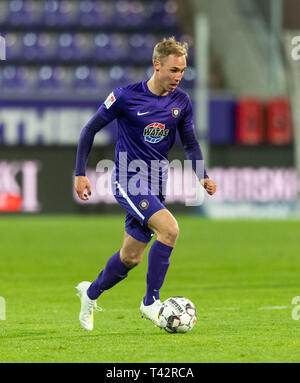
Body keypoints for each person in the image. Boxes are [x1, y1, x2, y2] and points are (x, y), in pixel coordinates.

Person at [74, 36, 216, 331]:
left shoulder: (182, 102)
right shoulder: (125, 97)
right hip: (128, 178)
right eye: (174, 70)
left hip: (156, 183)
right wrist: (80, 172)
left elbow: (190, 143)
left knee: (131, 257)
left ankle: (89, 294)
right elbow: (90, 129)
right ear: (157, 65)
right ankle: (151, 302)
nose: (178, 77)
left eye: (182, 71)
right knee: (170, 229)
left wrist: (202, 174)